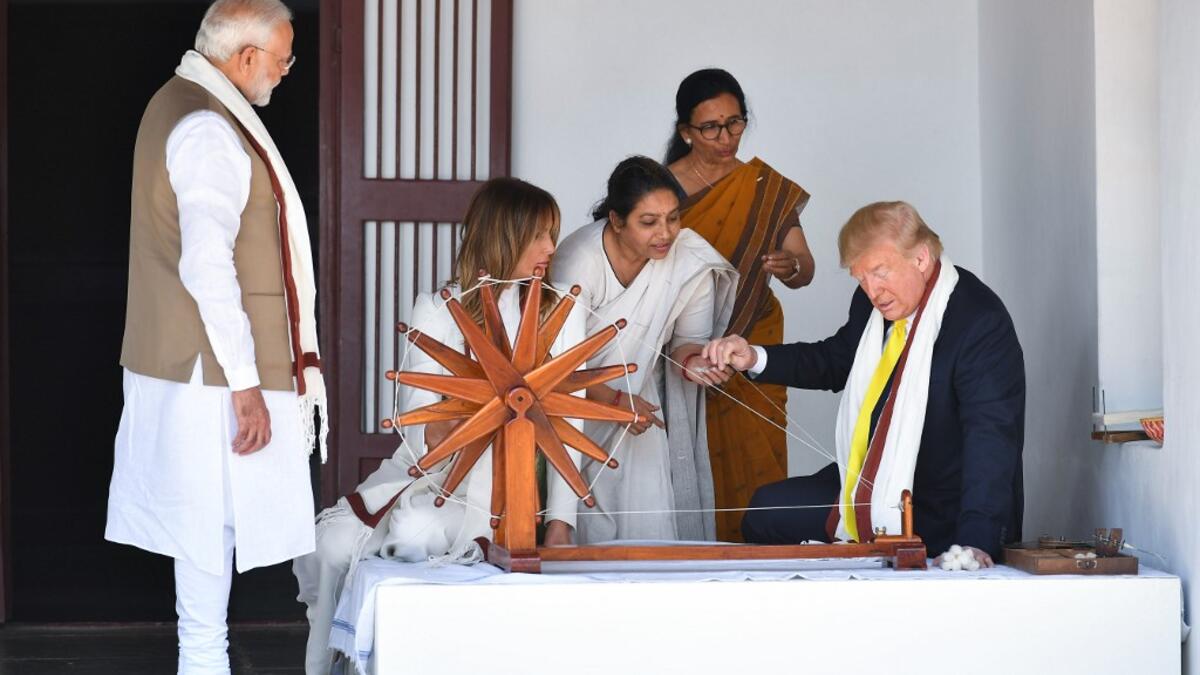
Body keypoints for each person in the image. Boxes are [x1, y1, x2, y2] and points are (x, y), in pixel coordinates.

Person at [104, 1, 324, 673]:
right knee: (205, 556)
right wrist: (248, 382)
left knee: (207, 553)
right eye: (283, 59)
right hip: (209, 378)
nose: (286, 72)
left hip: (190, 372)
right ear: (246, 56)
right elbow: (206, 261)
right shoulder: (205, 125)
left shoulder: (182, 104)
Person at [293, 177, 585, 675]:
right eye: (538, 234)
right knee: (333, 544)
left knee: (414, 530)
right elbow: (419, 423)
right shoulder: (437, 308)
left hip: (509, 489)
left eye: (552, 234)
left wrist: (561, 523)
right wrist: (487, 409)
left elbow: (570, 426)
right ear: (502, 234)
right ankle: (328, 665)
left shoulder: (559, 312)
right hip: (430, 472)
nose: (550, 249)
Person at [702, 201, 1024, 564]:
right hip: (869, 478)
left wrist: (975, 543)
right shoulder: (874, 304)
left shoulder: (979, 322)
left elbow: (992, 440)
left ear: (921, 258)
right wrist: (755, 357)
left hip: (938, 502)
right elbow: (837, 360)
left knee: (776, 518)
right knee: (764, 510)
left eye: (880, 272)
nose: (873, 291)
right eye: (861, 278)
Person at [552, 156, 737, 544]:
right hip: (571, 411)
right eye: (648, 222)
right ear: (616, 221)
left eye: (673, 218)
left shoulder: (690, 259)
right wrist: (614, 401)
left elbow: (687, 343)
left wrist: (698, 364)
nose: (666, 233)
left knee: (650, 531)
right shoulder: (579, 260)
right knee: (581, 530)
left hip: (640, 406)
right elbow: (556, 368)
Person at [665, 68, 816, 541]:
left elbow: (805, 266)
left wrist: (791, 267)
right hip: (684, 345)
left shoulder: (764, 186)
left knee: (758, 456)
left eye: (735, 123)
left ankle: (759, 557)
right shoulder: (661, 189)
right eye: (710, 127)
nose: (725, 137)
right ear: (686, 132)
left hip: (754, 340)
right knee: (687, 455)